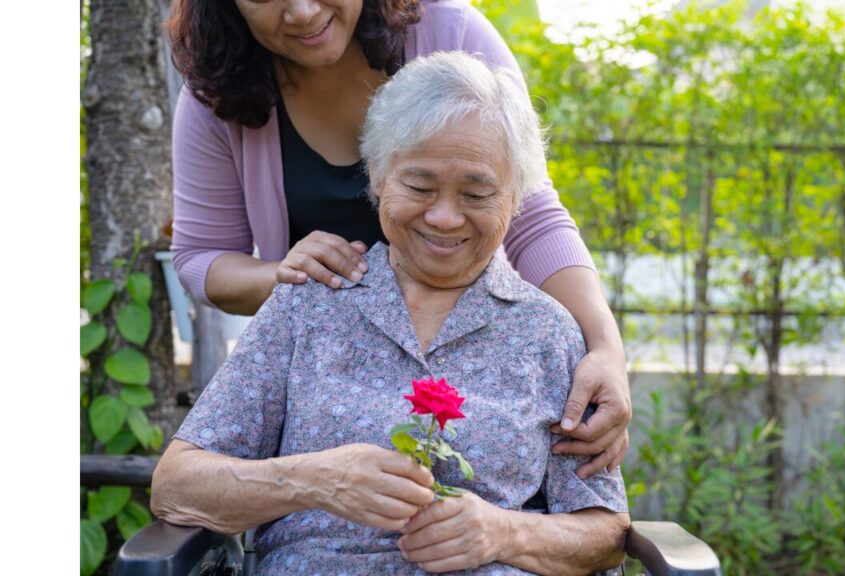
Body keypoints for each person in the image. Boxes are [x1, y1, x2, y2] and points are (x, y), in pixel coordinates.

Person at [151, 51, 630, 575]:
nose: (444, 217)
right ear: (378, 177)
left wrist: (504, 532)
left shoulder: (549, 333)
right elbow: (176, 485)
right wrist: (315, 480)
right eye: (419, 187)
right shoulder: (308, 304)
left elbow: (606, 533)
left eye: (477, 193)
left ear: (515, 199)